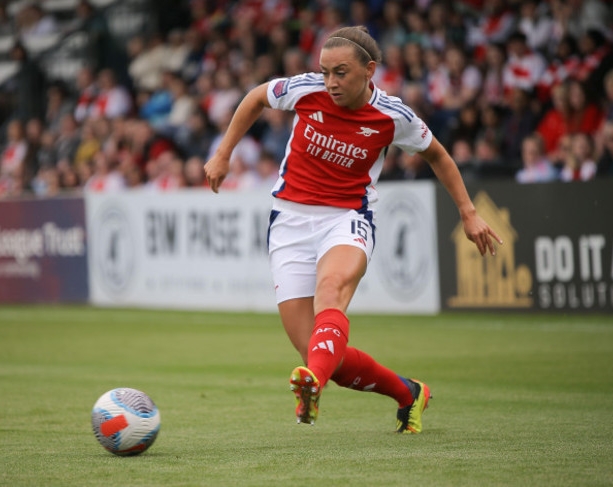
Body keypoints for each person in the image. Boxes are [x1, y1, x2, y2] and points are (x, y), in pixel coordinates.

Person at [204, 26, 502, 434]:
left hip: (346, 218)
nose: (330, 82)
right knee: (321, 354)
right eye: (325, 71)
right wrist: (223, 154)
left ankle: (313, 385)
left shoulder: (394, 116)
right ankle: (408, 393)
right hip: (288, 222)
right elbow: (257, 96)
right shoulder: (306, 90)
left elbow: (438, 155)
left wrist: (468, 213)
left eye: (341, 73)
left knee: (331, 294)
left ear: (369, 71)